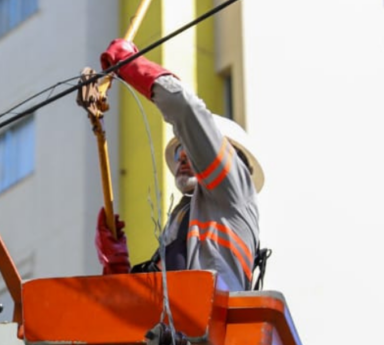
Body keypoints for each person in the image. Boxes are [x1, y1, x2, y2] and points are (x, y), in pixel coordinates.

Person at [94, 39, 264, 292]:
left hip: (210, 314)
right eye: (178, 151)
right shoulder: (185, 222)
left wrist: (131, 65)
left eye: (190, 147)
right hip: (187, 315)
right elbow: (151, 306)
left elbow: (185, 109)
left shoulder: (233, 190)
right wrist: (117, 267)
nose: (182, 156)